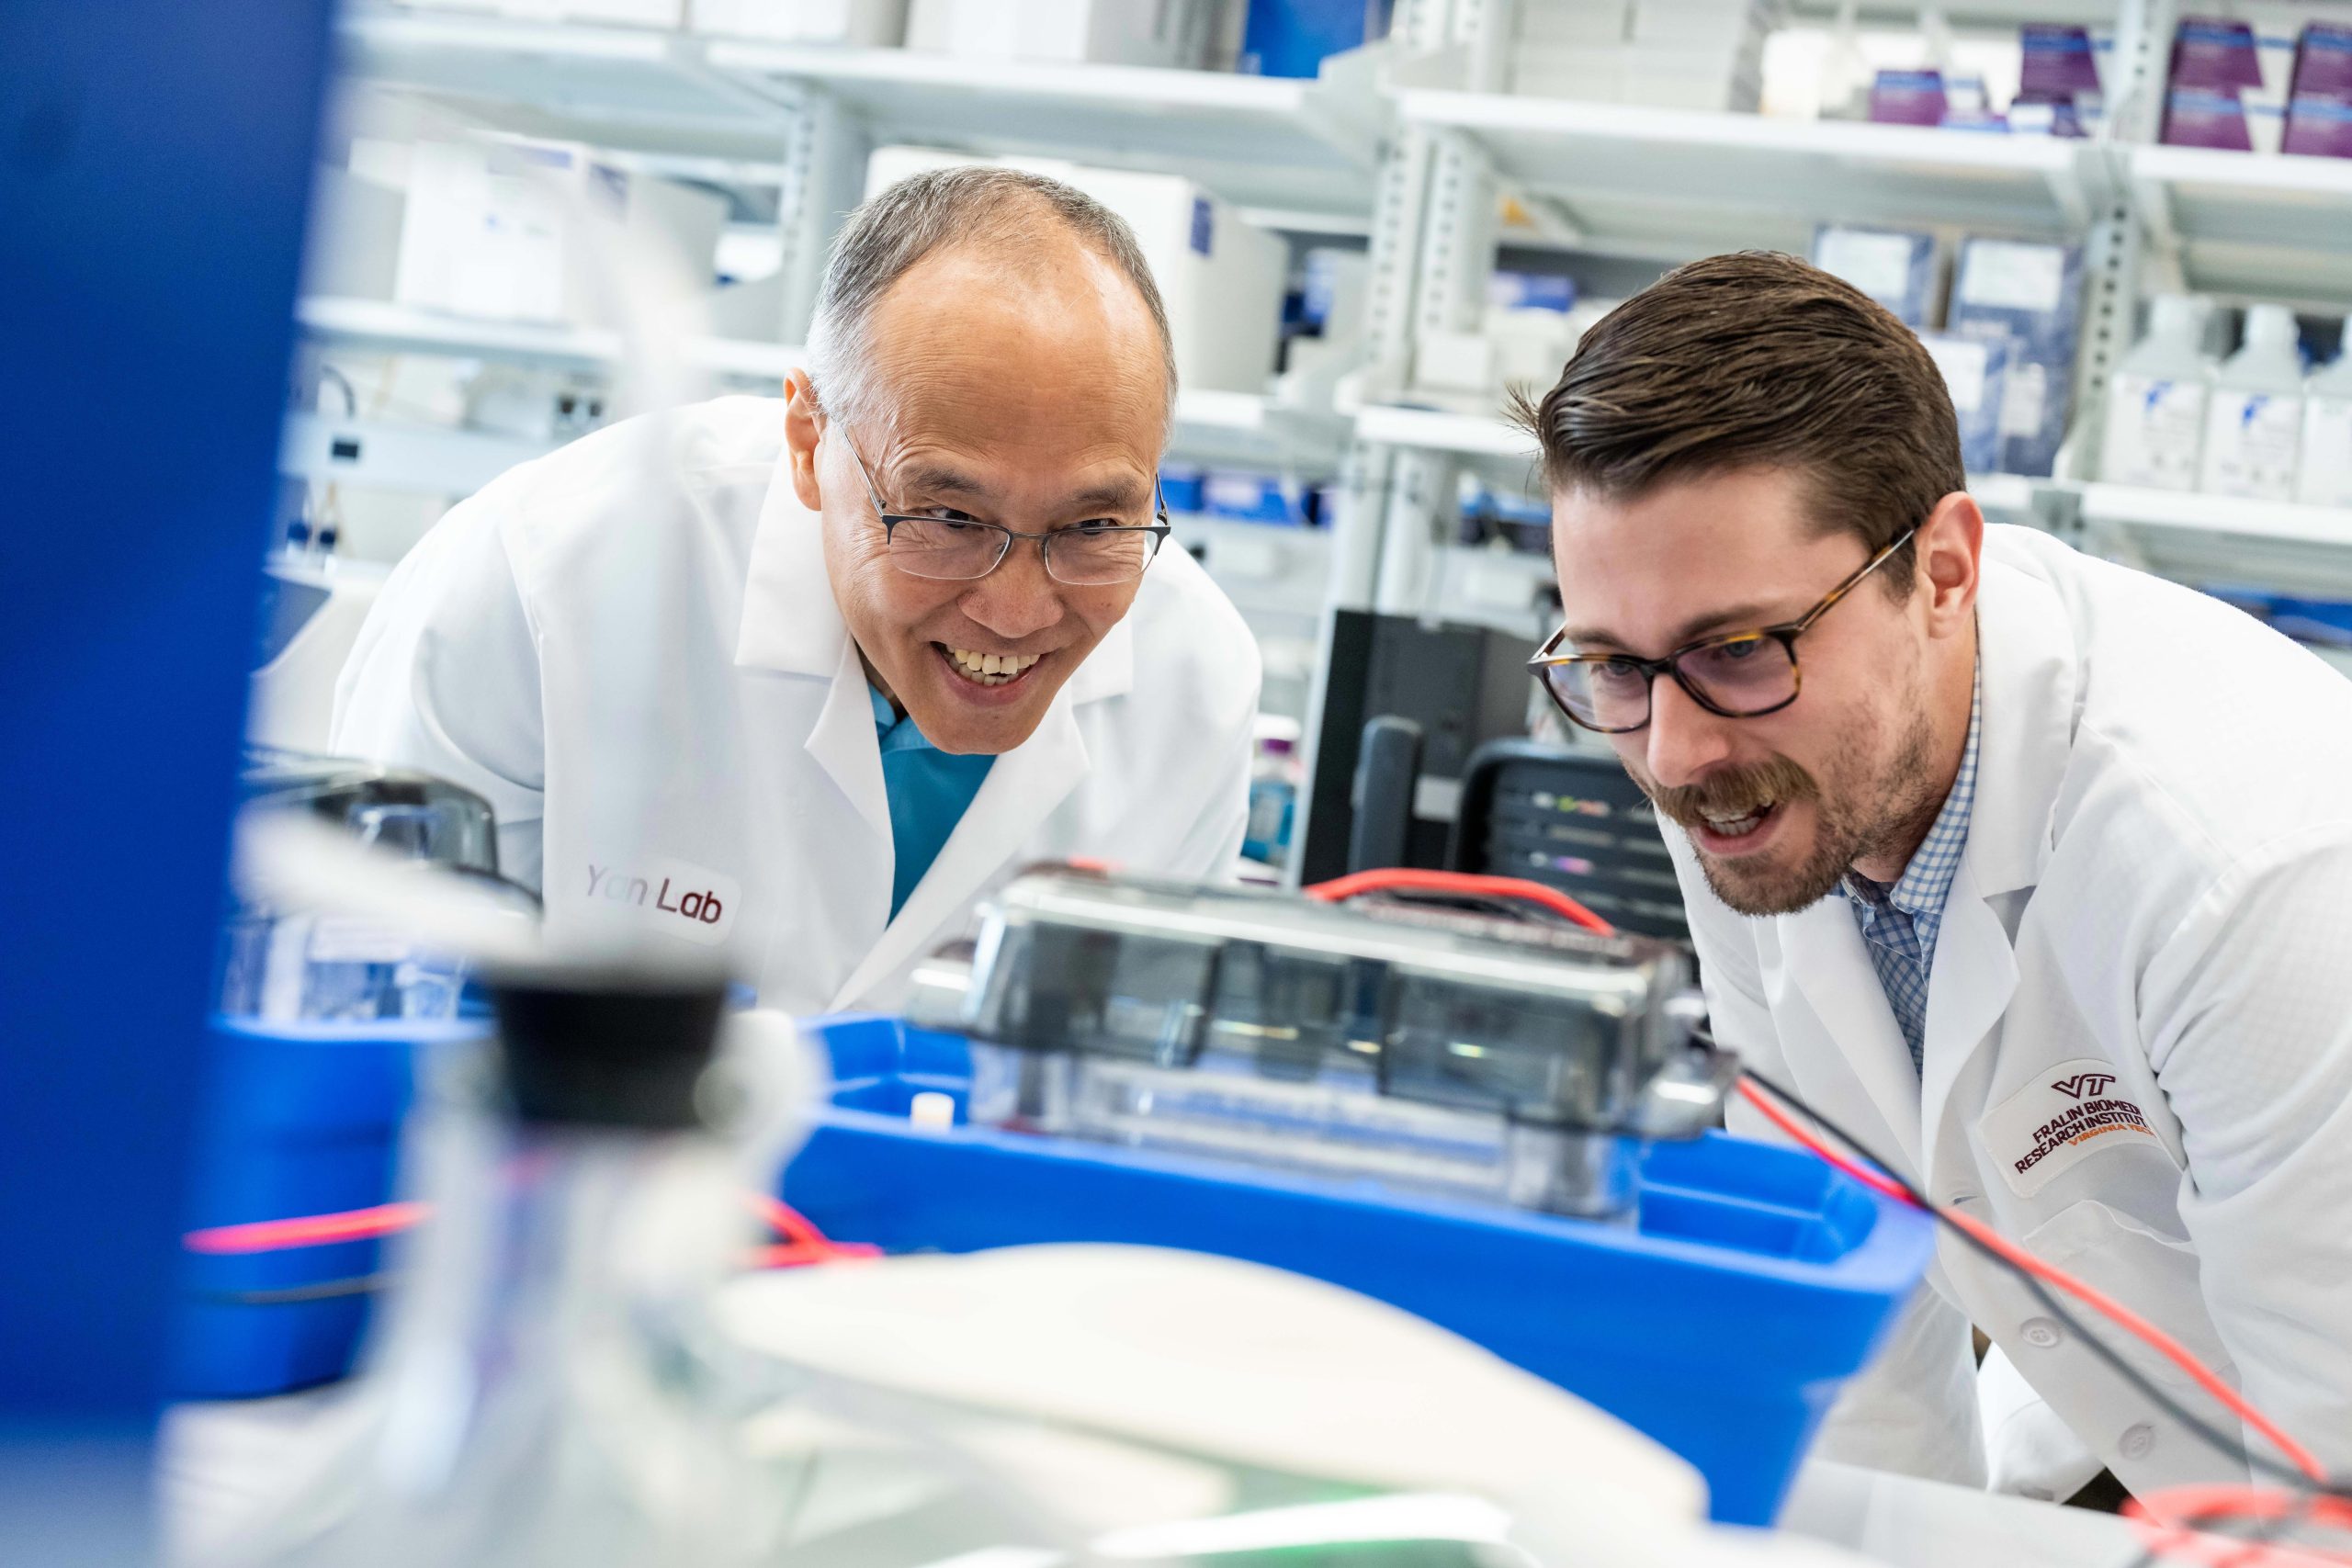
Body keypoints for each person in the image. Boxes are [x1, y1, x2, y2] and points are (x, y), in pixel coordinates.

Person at [1517, 252, 2352, 1501]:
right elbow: (1846, 1292)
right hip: (2126, 1396)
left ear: (1944, 571)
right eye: (1611, 667)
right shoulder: (1745, 768)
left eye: (1739, 647)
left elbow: (2327, 1476)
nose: (1674, 757)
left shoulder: (2242, 868)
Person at [333, 167, 1260, 1014]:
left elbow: (1130, 1076)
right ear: (810, 442)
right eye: (948, 517)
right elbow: (373, 1008)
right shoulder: (547, 572)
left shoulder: (1197, 681)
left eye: (1093, 528)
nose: (1016, 612)